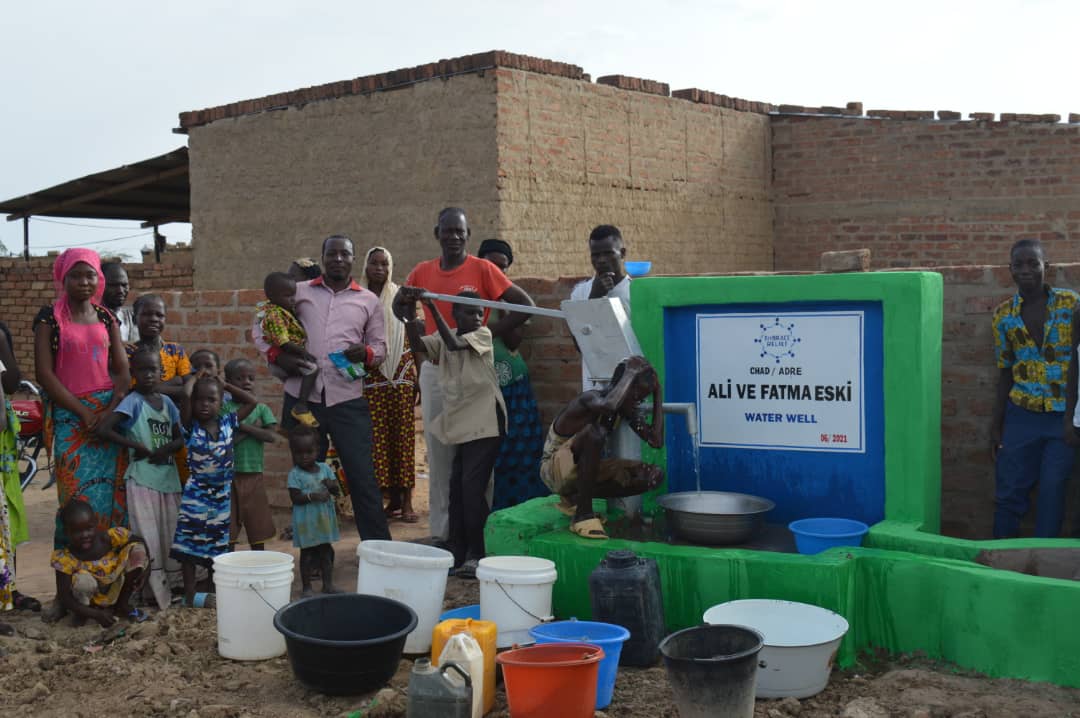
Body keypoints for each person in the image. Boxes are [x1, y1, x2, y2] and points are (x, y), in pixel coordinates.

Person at [393, 208, 535, 543]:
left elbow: (524, 304)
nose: (453, 237)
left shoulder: (483, 268)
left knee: (476, 460)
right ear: (436, 233)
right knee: (441, 455)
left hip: (473, 373)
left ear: (468, 234)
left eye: (460, 232)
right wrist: (410, 312)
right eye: (447, 231)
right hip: (436, 366)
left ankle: (477, 535)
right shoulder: (422, 271)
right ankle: (445, 533)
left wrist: (486, 331)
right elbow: (400, 306)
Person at [258, 235, 390, 541]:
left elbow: (380, 348)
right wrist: (279, 356)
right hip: (303, 399)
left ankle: (378, 549)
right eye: (332, 254)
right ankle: (314, 555)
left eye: (345, 254)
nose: (338, 259)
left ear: (353, 259)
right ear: (323, 257)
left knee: (362, 477)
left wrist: (366, 354)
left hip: (347, 399)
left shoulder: (368, 301)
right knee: (306, 478)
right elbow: (261, 324)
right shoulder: (299, 291)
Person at [403, 290, 505, 577]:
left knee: (472, 489)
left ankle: (477, 554)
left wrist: (431, 308)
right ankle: (459, 551)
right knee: (457, 490)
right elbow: (417, 347)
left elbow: (454, 343)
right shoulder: (443, 337)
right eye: (468, 312)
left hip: (487, 422)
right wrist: (411, 314)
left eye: (477, 312)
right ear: (455, 315)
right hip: (462, 424)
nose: (475, 318)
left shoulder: (481, 335)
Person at [34, 248, 130, 550]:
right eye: (76, 275)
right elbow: (45, 375)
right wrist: (84, 414)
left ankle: (109, 573)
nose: (84, 282)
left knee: (113, 495)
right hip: (69, 417)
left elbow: (122, 371)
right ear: (63, 278)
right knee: (74, 497)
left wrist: (110, 411)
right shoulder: (49, 318)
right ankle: (71, 578)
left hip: (107, 419)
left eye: (90, 274)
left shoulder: (106, 317)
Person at [991, 238, 1079, 538]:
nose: (1026, 270)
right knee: (1009, 492)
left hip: (1061, 419)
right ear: (1010, 270)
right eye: (1019, 265)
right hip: (1021, 415)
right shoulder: (1003, 316)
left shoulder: (1070, 305)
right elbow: (1005, 373)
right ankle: (1000, 565)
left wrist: (1071, 418)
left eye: (1033, 263)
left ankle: (1042, 571)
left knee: (1053, 493)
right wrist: (997, 424)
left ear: (1047, 267)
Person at [96, 347, 185, 610]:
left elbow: (181, 437)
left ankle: (172, 590)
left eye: (153, 370)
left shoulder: (167, 403)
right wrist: (137, 446)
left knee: (170, 534)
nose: (148, 375)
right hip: (142, 479)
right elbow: (104, 429)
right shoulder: (133, 402)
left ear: (161, 372)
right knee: (147, 537)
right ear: (133, 373)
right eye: (142, 370)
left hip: (168, 479)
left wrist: (167, 448)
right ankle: (147, 593)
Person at [539, 356, 665, 540]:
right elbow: (608, 406)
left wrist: (658, 393)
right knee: (594, 433)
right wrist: (630, 372)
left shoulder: (624, 408)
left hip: (580, 474)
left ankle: (575, 497)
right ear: (623, 386)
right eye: (636, 397)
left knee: (653, 476)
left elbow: (656, 440)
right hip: (552, 470)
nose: (638, 403)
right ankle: (582, 515)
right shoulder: (590, 399)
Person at [170, 372, 256, 608]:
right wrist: (195, 379)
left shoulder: (229, 422)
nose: (205, 404)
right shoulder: (190, 426)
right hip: (196, 495)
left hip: (221, 496)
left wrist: (226, 384)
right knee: (188, 544)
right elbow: (186, 395)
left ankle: (211, 591)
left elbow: (251, 402)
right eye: (200, 400)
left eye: (211, 399)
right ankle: (189, 595)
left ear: (221, 402)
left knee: (217, 545)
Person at [477, 240, 549, 510]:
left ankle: (519, 512)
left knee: (520, 455)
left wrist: (500, 300)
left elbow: (514, 342)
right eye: (491, 266)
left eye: (502, 268)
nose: (497, 271)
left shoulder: (511, 297)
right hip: (481, 387)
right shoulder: (466, 297)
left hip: (513, 386)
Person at [359, 246, 419, 522]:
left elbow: (412, 329)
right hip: (371, 372)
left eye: (384, 264)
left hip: (401, 370)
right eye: (374, 263)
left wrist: (418, 372)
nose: (379, 268)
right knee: (378, 440)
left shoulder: (400, 295)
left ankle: (407, 502)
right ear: (366, 266)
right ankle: (390, 500)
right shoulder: (358, 296)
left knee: (404, 439)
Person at [51, 499, 149, 626]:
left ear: (96, 523)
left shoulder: (109, 537)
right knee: (83, 582)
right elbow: (65, 597)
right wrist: (95, 614)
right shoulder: (64, 558)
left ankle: (122, 605)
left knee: (137, 549)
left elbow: (139, 541)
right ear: (66, 532)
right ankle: (84, 613)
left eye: (89, 528)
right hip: (89, 599)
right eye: (76, 531)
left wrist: (147, 568)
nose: (85, 535)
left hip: (114, 587)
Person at [0, 322, 39, 613]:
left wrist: (2, 339)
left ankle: (8, 589)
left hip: (3, 450)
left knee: (6, 522)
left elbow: (11, 384)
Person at [223, 358, 278, 551]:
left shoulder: (261, 408)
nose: (246, 382)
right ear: (228, 383)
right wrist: (254, 430)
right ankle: (228, 566)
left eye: (251, 378)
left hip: (254, 474)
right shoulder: (223, 408)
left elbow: (271, 436)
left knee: (257, 525)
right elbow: (226, 440)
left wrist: (242, 427)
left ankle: (259, 565)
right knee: (228, 527)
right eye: (239, 378)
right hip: (229, 476)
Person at [569, 225, 632, 389]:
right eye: (595, 255)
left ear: (622, 253)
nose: (601, 260)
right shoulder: (580, 293)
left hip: (630, 385)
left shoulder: (634, 291)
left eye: (608, 253)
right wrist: (595, 297)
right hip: (595, 388)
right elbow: (579, 344)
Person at [257, 272, 320, 427]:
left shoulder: (282, 310)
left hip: (288, 357)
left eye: (293, 295)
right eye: (287, 296)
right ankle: (301, 406)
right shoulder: (275, 315)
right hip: (284, 357)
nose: (293, 300)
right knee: (312, 369)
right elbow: (283, 342)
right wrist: (303, 352)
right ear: (272, 296)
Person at [286, 425, 341, 596]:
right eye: (298, 453)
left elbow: (336, 491)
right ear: (293, 453)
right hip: (306, 523)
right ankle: (307, 587)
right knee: (307, 554)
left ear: (317, 450)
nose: (304, 457)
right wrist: (313, 496)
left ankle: (328, 585)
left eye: (308, 452)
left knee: (326, 552)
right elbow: (295, 498)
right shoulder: (294, 474)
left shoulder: (325, 469)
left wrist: (332, 485)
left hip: (324, 520)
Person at [125, 294, 192, 399]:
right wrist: (176, 381)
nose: (154, 319)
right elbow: (132, 391)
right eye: (146, 314)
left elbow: (189, 386)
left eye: (160, 315)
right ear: (134, 319)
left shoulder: (175, 350)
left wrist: (151, 388)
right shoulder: (128, 353)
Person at [102, 261, 139, 343]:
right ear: (101, 285)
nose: (120, 291)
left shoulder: (131, 317)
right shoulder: (91, 318)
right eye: (113, 285)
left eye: (124, 285)